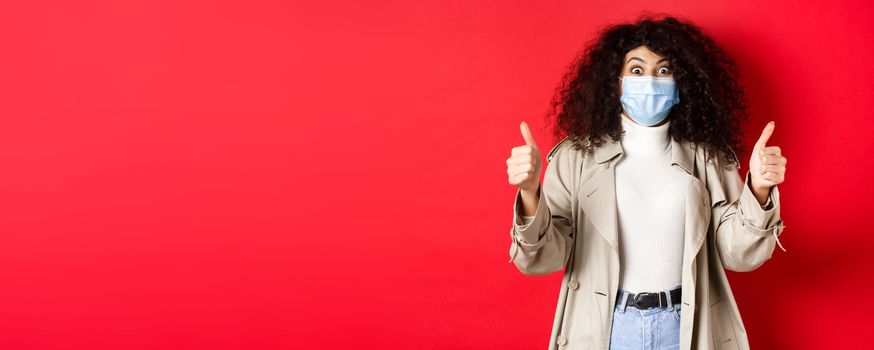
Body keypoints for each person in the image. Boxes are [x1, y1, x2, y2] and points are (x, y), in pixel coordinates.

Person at [505, 14, 788, 350]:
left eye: (664, 71)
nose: (650, 81)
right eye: (637, 70)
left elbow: (738, 255)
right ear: (616, 82)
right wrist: (529, 193)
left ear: (683, 83)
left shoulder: (708, 157)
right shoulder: (576, 157)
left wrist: (757, 189)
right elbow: (544, 259)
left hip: (685, 326)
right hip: (606, 327)